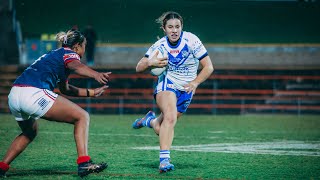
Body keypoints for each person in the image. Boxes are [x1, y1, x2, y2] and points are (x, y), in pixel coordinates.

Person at [0, 29, 110, 177]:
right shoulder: (69, 53)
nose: (84, 49)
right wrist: (96, 74)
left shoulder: (55, 55)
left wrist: (91, 92)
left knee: (29, 132)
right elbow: (76, 66)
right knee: (82, 117)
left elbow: (66, 89)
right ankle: (84, 163)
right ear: (77, 46)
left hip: (15, 94)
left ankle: (2, 166)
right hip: (33, 92)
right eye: (85, 45)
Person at [132, 11, 214, 173]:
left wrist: (195, 82)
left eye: (177, 26)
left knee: (161, 127)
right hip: (167, 84)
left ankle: (149, 121)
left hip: (187, 88)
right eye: (170, 27)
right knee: (169, 118)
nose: (174, 30)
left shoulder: (192, 40)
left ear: (182, 27)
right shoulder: (160, 46)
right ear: (164, 29)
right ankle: (164, 161)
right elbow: (138, 67)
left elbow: (209, 67)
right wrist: (150, 62)